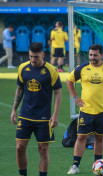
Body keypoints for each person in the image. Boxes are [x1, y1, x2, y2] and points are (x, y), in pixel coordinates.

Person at [66, 44, 103, 174]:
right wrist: (75, 97)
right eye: (90, 55)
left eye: (95, 55)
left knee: (100, 138)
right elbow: (69, 80)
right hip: (86, 110)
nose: (92, 58)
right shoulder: (82, 68)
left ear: (101, 55)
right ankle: (75, 166)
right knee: (81, 137)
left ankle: (97, 165)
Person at [10, 42, 62, 176]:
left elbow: (57, 92)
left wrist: (55, 115)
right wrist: (14, 109)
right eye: (31, 56)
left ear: (43, 55)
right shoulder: (23, 68)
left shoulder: (51, 71)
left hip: (44, 118)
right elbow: (20, 89)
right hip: (25, 115)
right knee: (19, 148)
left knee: (43, 149)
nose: (33, 60)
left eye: (36, 57)